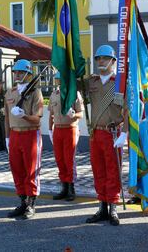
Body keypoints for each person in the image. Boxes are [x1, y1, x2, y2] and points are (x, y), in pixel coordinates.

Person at [84, 44, 127, 226]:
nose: (100, 61)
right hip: (95, 133)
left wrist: (124, 133)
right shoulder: (90, 82)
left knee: (112, 170)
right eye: (98, 58)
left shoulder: (119, 83)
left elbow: (128, 110)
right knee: (98, 170)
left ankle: (113, 206)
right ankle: (102, 205)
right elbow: (69, 82)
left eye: (104, 58)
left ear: (113, 61)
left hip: (112, 133)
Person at [4, 59, 44, 220]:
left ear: (28, 74)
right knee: (17, 169)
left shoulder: (35, 92)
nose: (17, 75)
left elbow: (38, 119)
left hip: (30, 134)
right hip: (15, 135)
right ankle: (22, 201)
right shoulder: (10, 92)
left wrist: (24, 116)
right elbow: (6, 118)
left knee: (31, 170)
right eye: (15, 72)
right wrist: (7, 137)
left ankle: (31, 204)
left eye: (20, 72)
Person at [48, 71, 84, 201]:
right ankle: (63, 187)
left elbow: (81, 114)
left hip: (70, 129)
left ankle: (71, 188)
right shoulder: (54, 94)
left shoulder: (74, 94)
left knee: (69, 160)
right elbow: (51, 114)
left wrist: (73, 114)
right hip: (58, 129)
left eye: (61, 80)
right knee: (59, 159)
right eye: (58, 80)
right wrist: (49, 130)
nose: (59, 83)